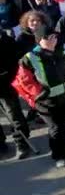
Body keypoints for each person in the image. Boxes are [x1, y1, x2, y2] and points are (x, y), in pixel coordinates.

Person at [13, 26, 65, 168]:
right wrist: (40, 94)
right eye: (49, 37)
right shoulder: (29, 58)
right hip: (50, 101)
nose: (54, 40)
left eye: (55, 36)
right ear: (40, 40)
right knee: (57, 129)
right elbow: (23, 80)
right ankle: (60, 156)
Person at [0, 29, 30, 159]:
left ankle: (21, 143)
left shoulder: (8, 41)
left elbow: (17, 63)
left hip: (6, 83)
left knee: (14, 114)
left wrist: (7, 76)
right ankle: (1, 144)